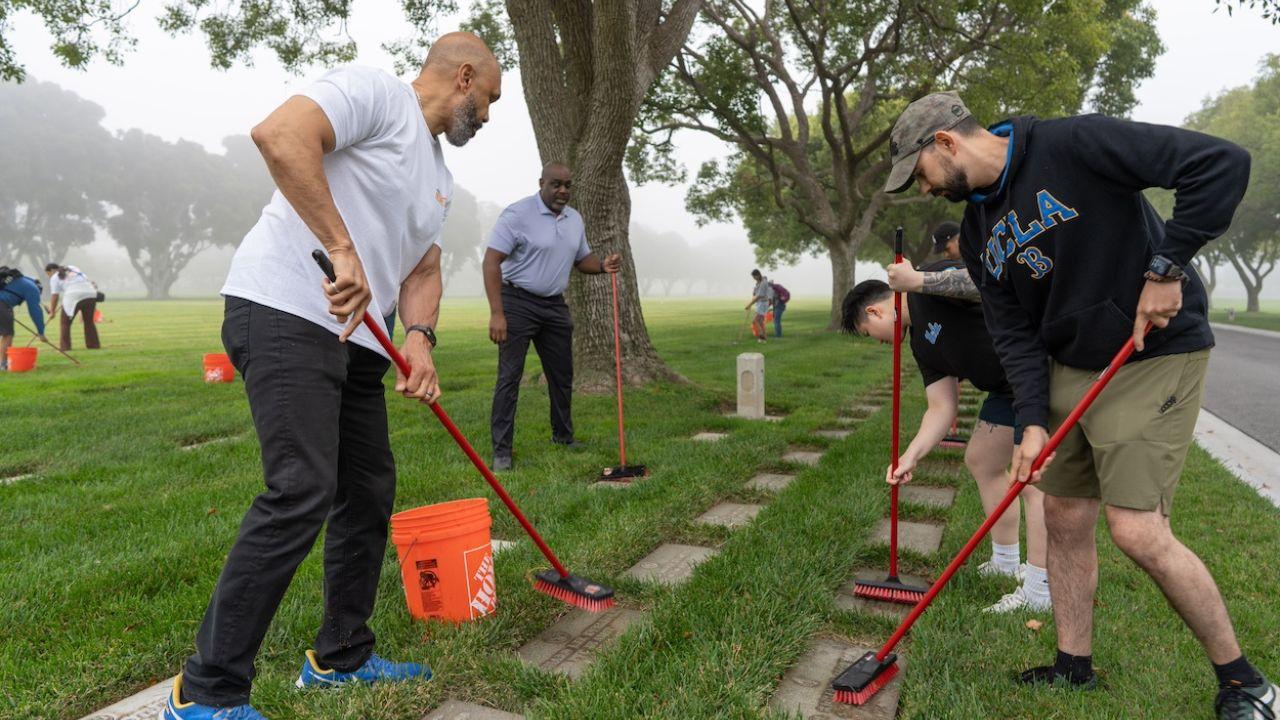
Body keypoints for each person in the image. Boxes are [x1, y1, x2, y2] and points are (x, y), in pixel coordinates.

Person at [884, 91, 1277, 718]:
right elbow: (1012, 333)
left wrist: (1168, 266)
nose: (924, 190)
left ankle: (1245, 683)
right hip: (1070, 362)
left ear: (946, 143)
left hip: (1151, 351)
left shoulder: (1072, 144)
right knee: (1064, 517)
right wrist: (1032, 422)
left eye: (921, 173)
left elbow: (1220, 162)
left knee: (1136, 529)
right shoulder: (980, 233)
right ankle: (1073, 666)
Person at [165, 33, 502, 720]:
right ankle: (204, 691)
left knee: (368, 490)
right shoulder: (376, 94)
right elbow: (280, 133)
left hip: (360, 344)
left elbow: (423, 270)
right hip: (287, 308)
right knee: (301, 489)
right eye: (490, 99)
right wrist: (341, 248)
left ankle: (340, 657)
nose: (489, 116)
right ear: (463, 75)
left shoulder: (439, 176)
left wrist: (420, 340)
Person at [842, 276, 1051, 613]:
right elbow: (942, 407)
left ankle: (1040, 592)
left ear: (875, 311)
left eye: (868, 333)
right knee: (982, 459)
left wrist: (917, 280)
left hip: (1038, 368)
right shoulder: (922, 347)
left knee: (1031, 480)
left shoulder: (930, 286)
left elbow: (987, 280)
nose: (880, 343)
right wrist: (909, 456)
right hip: (1005, 387)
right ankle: (1006, 560)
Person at [483, 162, 621, 472]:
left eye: (567, 185)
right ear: (541, 183)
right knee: (509, 377)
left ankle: (563, 436)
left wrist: (602, 265)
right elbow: (492, 261)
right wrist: (497, 313)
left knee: (562, 375)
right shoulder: (517, 214)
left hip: (555, 306)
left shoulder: (574, 220)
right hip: (516, 301)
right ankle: (502, 451)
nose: (562, 191)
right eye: (556, 184)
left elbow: (581, 258)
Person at [44, 263, 99, 351]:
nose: (49, 277)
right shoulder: (73, 268)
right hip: (90, 293)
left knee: (65, 323)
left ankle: (65, 347)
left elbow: (55, 296)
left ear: (51, 271)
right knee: (89, 322)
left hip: (73, 295)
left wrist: (52, 312)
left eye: (48, 274)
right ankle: (93, 346)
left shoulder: (54, 277)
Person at [0, 266, 47, 370]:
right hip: (2, 305)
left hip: (3, 304)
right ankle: (3, 365)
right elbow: (35, 311)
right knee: (7, 334)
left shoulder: (20, 280)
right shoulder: (33, 289)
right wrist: (41, 332)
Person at [745, 269, 774, 344]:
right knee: (760, 322)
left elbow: (759, 296)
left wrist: (749, 304)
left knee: (755, 321)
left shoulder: (763, 283)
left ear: (758, 275)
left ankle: (761, 336)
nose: (754, 278)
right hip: (760, 303)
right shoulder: (759, 282)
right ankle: (764, 338)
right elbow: (756, 294)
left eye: (754, 277)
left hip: (763, 303)